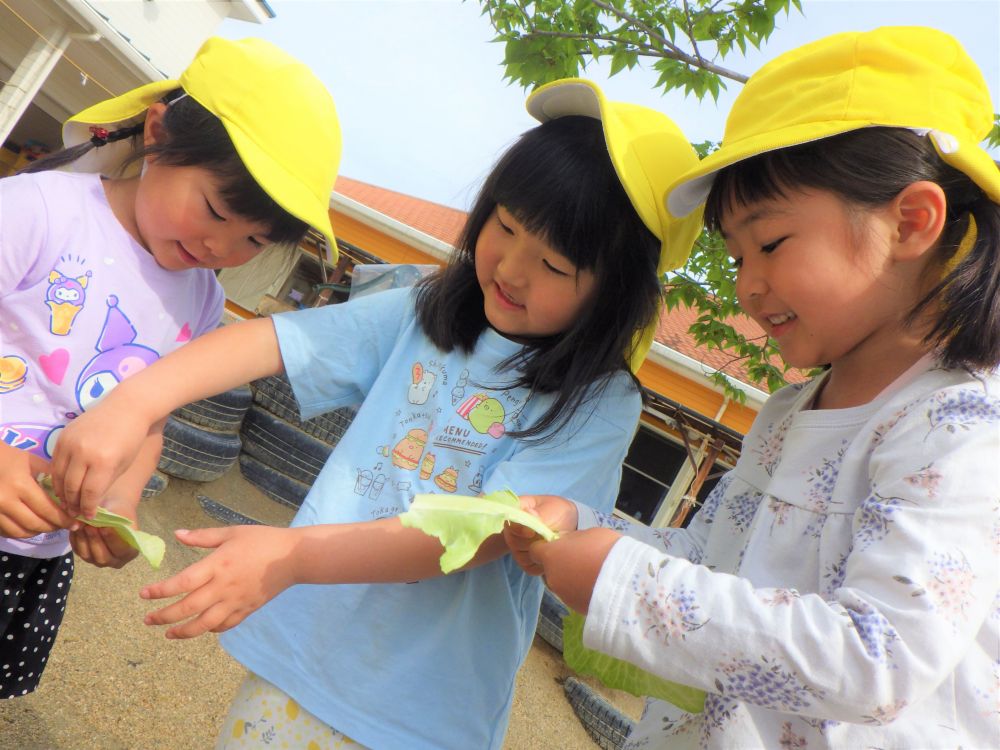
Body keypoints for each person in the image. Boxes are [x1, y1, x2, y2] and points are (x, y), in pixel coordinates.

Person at [47, 78, 703, 748]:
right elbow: (271, 340)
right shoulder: (425, 309)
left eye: (554, 265)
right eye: (503, 226)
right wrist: (133, 404)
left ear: (614, 293)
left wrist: (294, 556)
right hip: (302, 660)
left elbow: (486, 534)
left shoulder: (598, 403)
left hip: (419, 713)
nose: (509, 267)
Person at [503, 26, 1000, 749]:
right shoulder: (788, 414)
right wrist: (590, 533)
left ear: (912, 221)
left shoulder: (961, 425)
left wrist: (624, 585)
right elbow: (713, 558)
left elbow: (880, 658)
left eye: (769, 244)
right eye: (735, 255)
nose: (747, 286)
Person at [0, 36, 341, 700]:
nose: (219, 244)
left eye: (251, 241)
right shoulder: (41, 210)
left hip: (33, 550)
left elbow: (146, 417)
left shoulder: (203, 299)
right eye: (214, 209)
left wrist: (121, 503)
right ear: (157, 132)